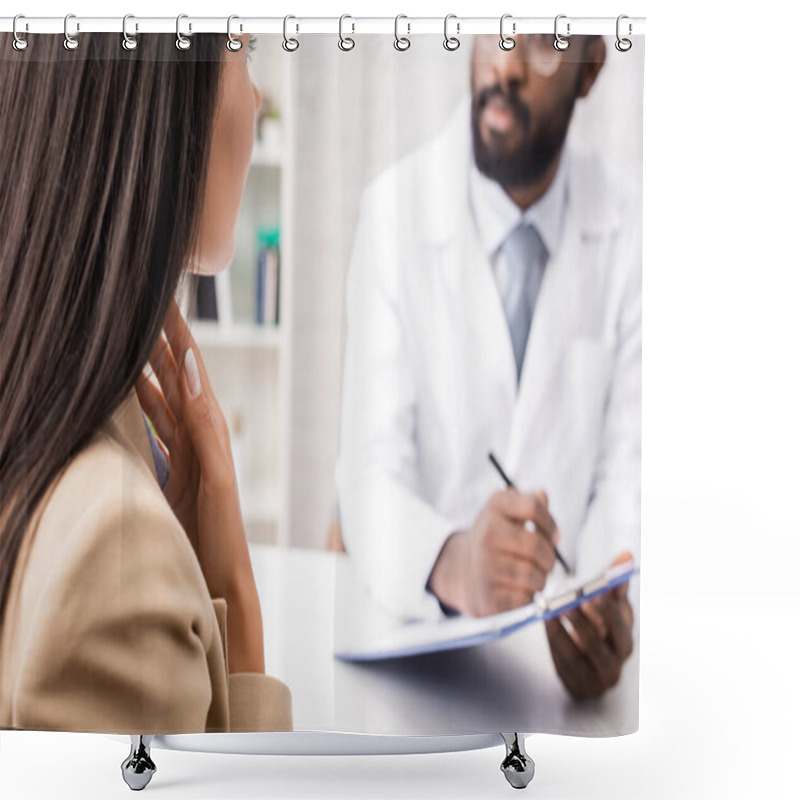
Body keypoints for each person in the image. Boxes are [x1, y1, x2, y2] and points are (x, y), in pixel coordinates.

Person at [0, 32, 292, 733]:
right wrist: (238, 617)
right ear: (161, 99)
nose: (254, 99)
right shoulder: (118, 556)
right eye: (243, 52)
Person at [335, 34, 640, 701]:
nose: (502, 66)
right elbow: (367, 477)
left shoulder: (632, 229)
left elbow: (630, 471)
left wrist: (598, 600)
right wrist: (452, 563)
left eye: (543, 47)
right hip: (423, 674)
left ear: (590, 70)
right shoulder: (393, 212)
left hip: (567, 694)